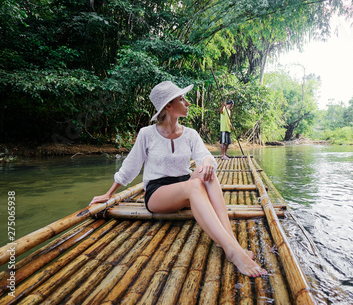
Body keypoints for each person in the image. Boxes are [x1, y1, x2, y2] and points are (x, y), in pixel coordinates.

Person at [89, 81, 266, 277]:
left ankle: (231, 242)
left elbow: (205, 156)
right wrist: (109, 194)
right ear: (168, 106)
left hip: (186, 186)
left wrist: (207, 161)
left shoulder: (190, 134)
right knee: (195, 185)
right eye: (182, 99)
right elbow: (131, 165)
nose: (188, 103)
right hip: (158, 193)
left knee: (207, 174)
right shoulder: (146, 134)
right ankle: (232, 251)